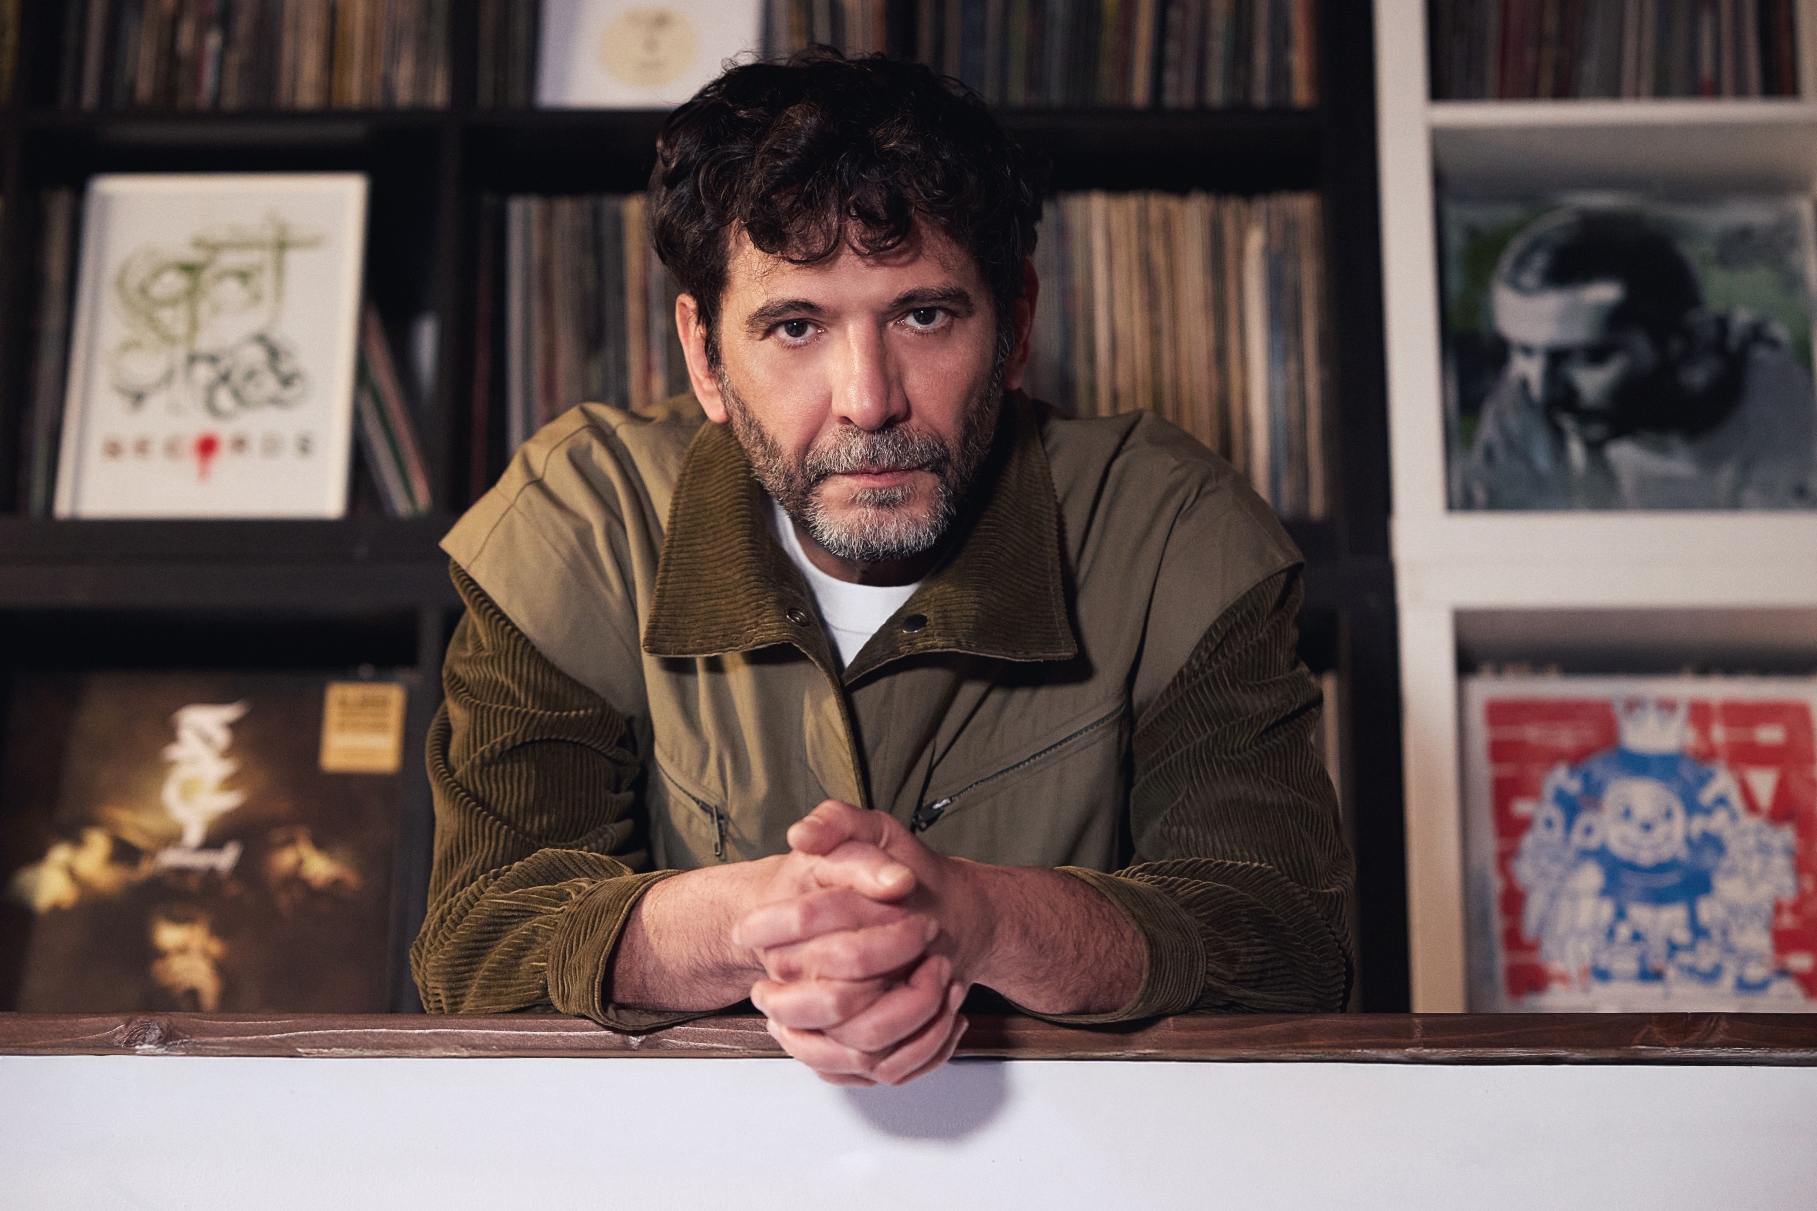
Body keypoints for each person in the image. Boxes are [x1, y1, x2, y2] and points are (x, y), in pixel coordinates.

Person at [412, 51, 1352, 1086]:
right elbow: (480, 942)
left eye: (923, 316)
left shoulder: (1172, 532)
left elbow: (1283, 946)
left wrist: (986, 919)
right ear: (705, 355)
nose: (869, 400)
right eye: (795, 326)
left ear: (1015, 325)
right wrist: (760, 920)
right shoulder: (580, 523)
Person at [1456, 207, 1817, 510]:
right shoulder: (1523, 397)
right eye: (1524, 350)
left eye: (1589, 357)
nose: (1545, 391)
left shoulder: (1771, 397)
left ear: (1686, 343)